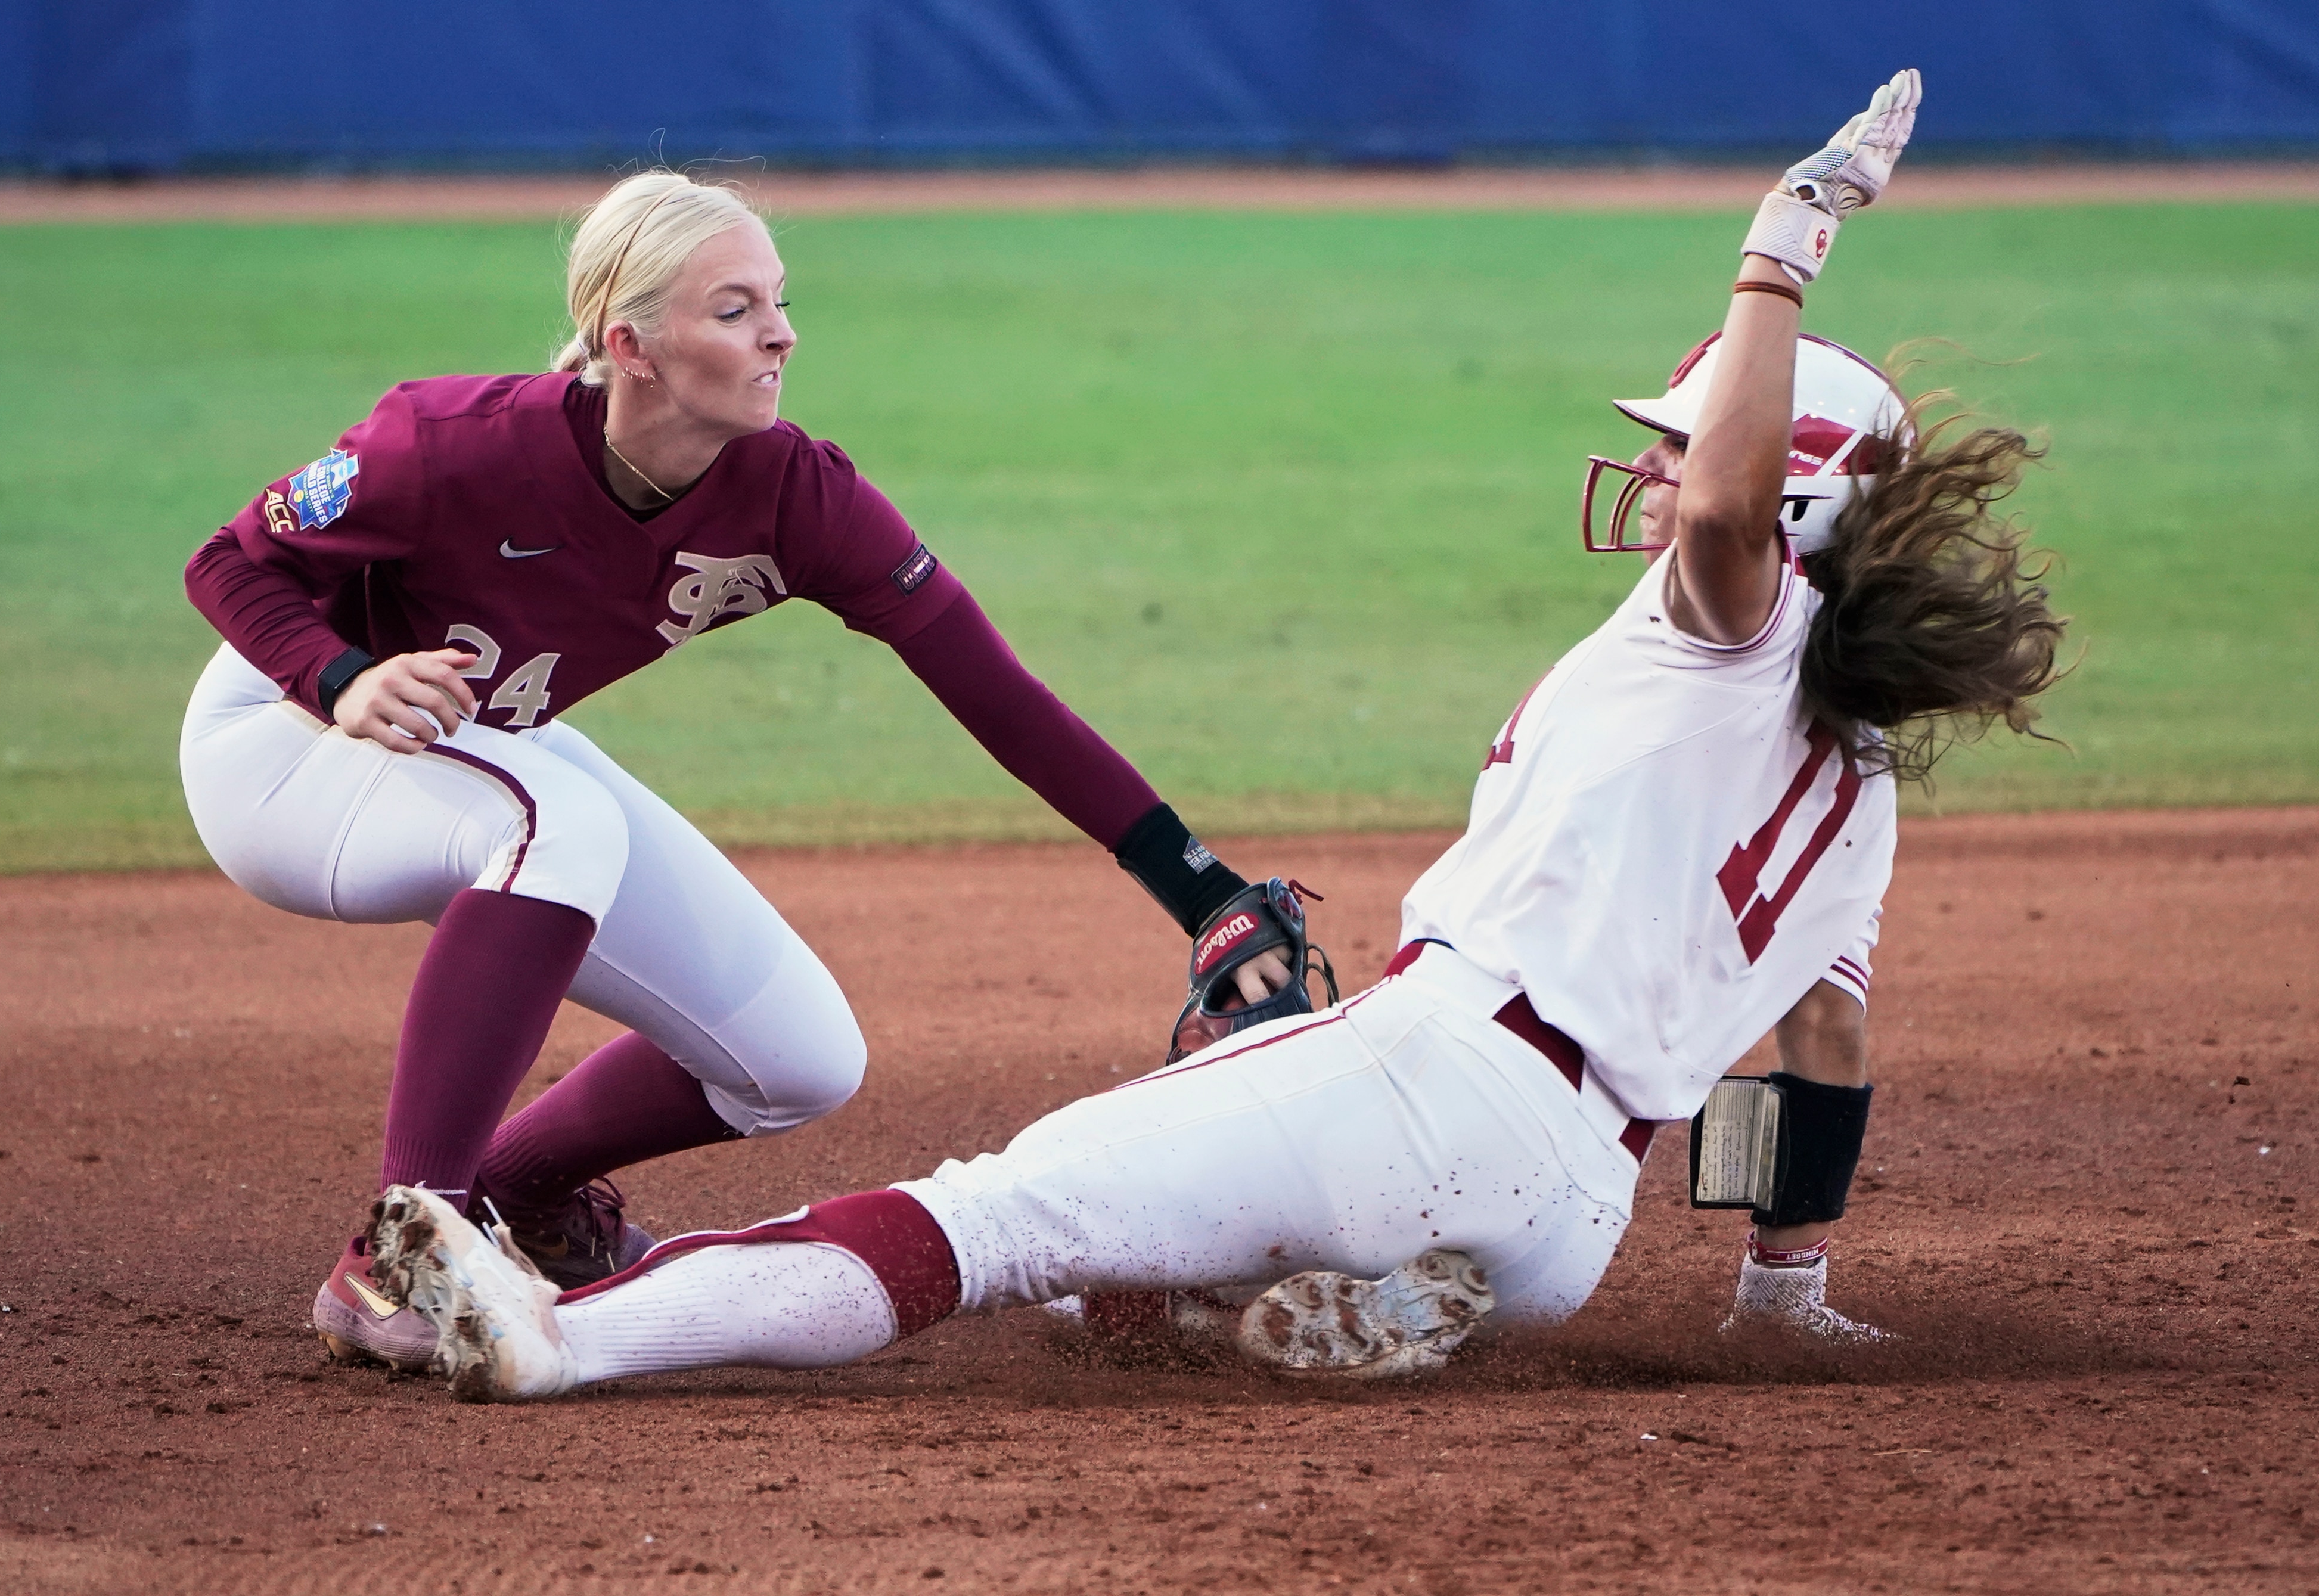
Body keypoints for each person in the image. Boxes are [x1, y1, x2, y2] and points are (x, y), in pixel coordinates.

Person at [356, 70, 2066, 1401]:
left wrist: (1780, 246)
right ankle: (1288, 1292)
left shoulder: (1731, 624)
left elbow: (1727, 517)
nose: (1661, 468)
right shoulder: (1856, 782)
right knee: (1135, 1261)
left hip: (1432, 1075)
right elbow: (1820, 1041)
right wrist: (1780, 1283)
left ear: (1787, 498)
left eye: (1690, 444)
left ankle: (565, 1339)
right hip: (1575, 1216)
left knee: (991, 1215)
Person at [178, 170, 1291, 1372]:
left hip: (484, 745)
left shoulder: (795, 494)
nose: (780, 333)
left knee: (797, 1058)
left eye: (779, 299)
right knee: (563, 823)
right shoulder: (451, 444)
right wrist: (340, 675)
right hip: (287, 746)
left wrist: (1201, 890)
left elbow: (994, 693)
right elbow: (227, 563)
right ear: (631, 346)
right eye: (734, 307)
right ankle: (399, 1254)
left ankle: (515, 1191)